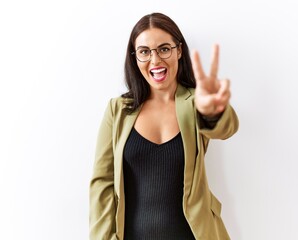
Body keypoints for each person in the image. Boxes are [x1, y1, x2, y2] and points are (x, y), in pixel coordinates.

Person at [89, 12, 239, 240]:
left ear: (179, 50)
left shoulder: (196, 102)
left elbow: (225, 129)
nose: (155, 60)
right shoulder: (118, 110)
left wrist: (213, 111)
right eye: (144, 52)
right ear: (135, 57)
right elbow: (103, 183)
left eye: (164, 49)